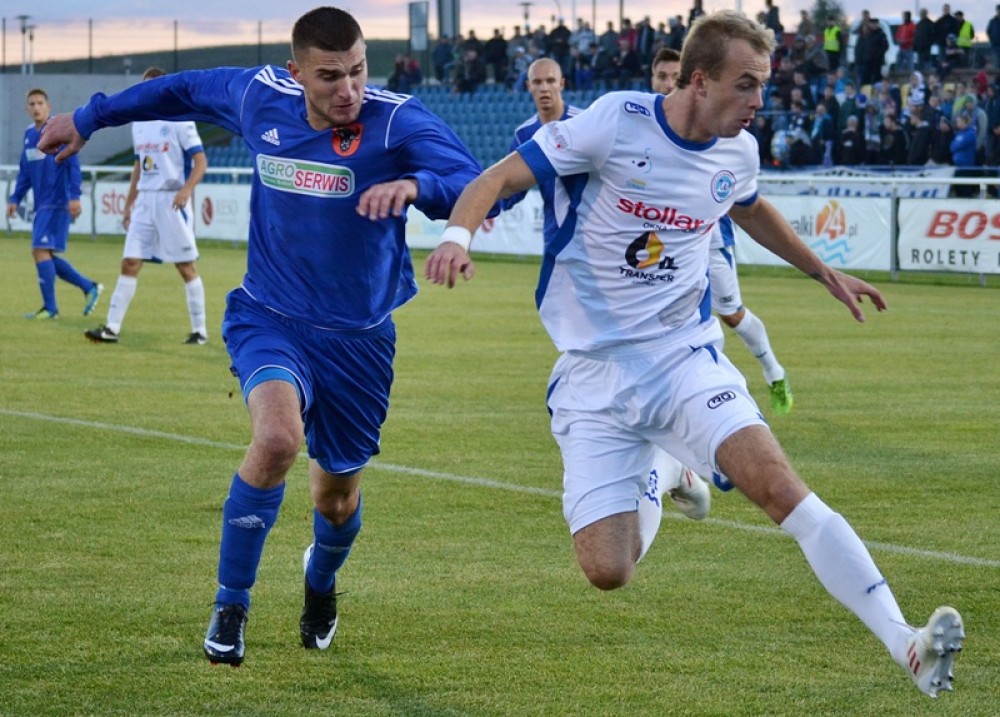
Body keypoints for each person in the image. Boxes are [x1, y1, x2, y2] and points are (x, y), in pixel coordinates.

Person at [424, 10, 964, 697]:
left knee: (781, 488)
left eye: (764, 84)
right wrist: (456, 238)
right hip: (592, 376)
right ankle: (671, 468)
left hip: (685, 359)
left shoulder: (739, 151)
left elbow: (751, 207)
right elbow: (497, 179)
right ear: (699, 80)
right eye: (747, 84)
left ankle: (905, 641)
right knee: (607, 569)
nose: (759, 100)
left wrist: (822, 270)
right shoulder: (615, 122)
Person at [39, 6, 485, 667]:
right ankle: (232, 604)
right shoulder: (258, 95)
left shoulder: (396, 121)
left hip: (359, 341)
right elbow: (178, 90)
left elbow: (481, 185)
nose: (349, 90)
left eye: (358, 71)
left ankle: (320, 581)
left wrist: (422, 188)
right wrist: (89, 116)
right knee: (277, 439)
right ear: (295, 72)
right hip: (269, 316)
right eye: (330, 76)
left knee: (336, 498)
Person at [507, 56, 712, 543]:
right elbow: (511, 188)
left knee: (621, 375)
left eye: (550, 81)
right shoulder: (524, 134)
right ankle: (661, 469)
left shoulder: (592, 123)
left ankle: (659, 470)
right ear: (528, 87)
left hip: (620, 267)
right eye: (536, 82)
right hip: (569, 270)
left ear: (563, 83)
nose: (544, 89)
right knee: (592, 379)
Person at [651, 47, 793, 414]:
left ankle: (774, 372)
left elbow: (748, 206)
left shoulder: (721, 134)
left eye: (673, 76)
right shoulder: (640, 130)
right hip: (655, 249)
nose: (667, 83)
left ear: (689, 81)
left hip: (710, 241)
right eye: (661, 76)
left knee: (732, 314)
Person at [84, 67, 208, 345]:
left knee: (185, 266)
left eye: (154, 86)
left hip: (170, 200)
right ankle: (112, 328)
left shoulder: (180, 119)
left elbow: (200, 161)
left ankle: (200, 331)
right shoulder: (138, 123)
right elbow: (139, 165)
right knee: (129, 262)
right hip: (144, 201)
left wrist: (186, 190)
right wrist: (129, 204)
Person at [7, 88, 102, 320]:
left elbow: (73, 165)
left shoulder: (58, 129)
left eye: (40, 103)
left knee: (39, 251)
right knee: (44, 254)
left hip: (58, 201)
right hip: (42, 204)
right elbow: (25, 172)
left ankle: (51, 309)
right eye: (32, 104)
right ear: (27, 109)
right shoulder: (29, 135)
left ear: (48, 107)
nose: (36, 107)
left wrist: (74, 196)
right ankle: (88, 287)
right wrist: (15, 198)